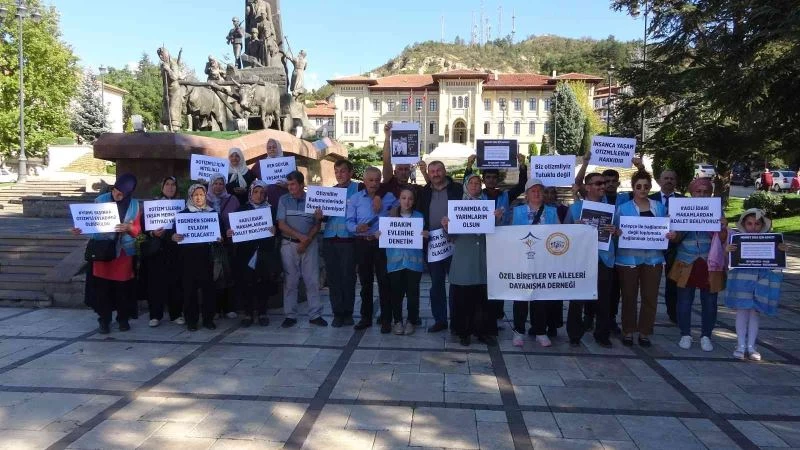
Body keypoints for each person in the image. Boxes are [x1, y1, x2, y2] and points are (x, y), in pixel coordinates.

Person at [72, 174, 141, 334]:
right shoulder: (100, 200)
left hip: (123, 254)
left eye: (121, 193)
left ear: (128, 193)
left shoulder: (134, 205)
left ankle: (123, 319)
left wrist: (129, 228)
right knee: (102, 288)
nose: (116, 194)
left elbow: (138, 230)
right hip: (102, 251)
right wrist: (79, 229)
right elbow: (89, 222)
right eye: (115, 190)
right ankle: (104, 320)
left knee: (122, 288)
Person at [666, 177, 727, 352]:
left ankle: (706, 335)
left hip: (710, 262)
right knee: (684, 301)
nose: (702, 194)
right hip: (686, 260)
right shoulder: (681, 209)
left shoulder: (717, 210)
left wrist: (723, 227)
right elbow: (675, 239)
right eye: (698, 191)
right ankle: (685, 334)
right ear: (691, 193)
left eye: (706, 192)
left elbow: (723, 239)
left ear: (711, 194)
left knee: (710, 302)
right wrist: (674, 231)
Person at [442, 174, 501, 346]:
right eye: (472, 183)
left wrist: (497, 219)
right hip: (464, 257)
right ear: (466, 186)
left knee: (483, 297)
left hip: (483, 255)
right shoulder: (457, 207)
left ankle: (483, 332)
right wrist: (446, 226)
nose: (475, 185)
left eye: (478, 183)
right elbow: (451, 236)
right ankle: (464, 332)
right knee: (464, 297)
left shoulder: (488, 206)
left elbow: (496, 232)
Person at [723, 208, 786, 361]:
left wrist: (781, 250)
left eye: (757, 224)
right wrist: (727, 250)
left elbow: (777, 261)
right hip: (741, 280)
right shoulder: (736, 239)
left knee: (755, 312)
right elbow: (727, 260)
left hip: (760, 280)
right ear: (744, 224)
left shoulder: (771, 240)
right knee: (742, 311)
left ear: (762, 225)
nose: (753, 227)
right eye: (749, 223)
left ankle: (751, 346)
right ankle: (740, 345)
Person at [562, 173, 617, 348]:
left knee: (604, 299)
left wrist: (615, 231)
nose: (603, 186)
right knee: (577, 298)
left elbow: (618, 233)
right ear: (587, 187)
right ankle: (574, 334)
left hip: (604, 258)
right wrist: (575, 229)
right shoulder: (575, 208)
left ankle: (602, 334)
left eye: (604, 183)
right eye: (599, 183)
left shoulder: (611, 208)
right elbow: (564, 234)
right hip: (582, 259)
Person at [615, 170, 668, 347]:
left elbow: (666, 229)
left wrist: (670, 234)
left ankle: (645, 332)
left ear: (650, 187)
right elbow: (614, 230)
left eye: (646, 186)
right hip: (628, 260)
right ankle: (628, 331)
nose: (642, 189)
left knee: (650, 297)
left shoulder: (659, 207)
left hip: (653, 260)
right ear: (633, 188)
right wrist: (617, 232)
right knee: (629, 296)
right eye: (638, 186)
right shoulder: (623, 208)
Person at [511, 179, 561, 347]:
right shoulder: (517, 211)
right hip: (522, 260)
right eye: (533, 190)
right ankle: (518, 331)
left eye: (540, 190)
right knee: (521, 296)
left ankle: (540, 331)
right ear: (527, 194)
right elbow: (511, 234)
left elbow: (559, 232)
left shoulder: (552, 212)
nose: (537, 193)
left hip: (544, 260)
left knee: (540, 296)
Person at [347, 167, 397, 332]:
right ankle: (365, 318)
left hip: (382, 244)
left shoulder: (389, 197)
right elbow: (348, 221)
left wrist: (394, 212)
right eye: (370, 180)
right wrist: (356, 228)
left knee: (385, 282)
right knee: (365, 283)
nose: (374, 183)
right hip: (362, 243)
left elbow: (401, 212)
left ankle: (386, 319)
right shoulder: (355, 199)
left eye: (377, 180)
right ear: (364, 181)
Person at [277, 171, 326, 327]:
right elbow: (281, 224)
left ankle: (315, 315)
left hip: (309, 245)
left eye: (293, 184)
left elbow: (317, 225)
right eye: (288, 184)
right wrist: (300, 237)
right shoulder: (283, 200)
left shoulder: (312, 200)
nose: (290, 187)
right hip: (289, 245)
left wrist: (306, 240)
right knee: (290, 281)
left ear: (301, 184)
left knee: (312, 280)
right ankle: (290, 315)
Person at [418, 160, 464, 332]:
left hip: (454, 241)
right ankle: (440, 320)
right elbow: (418, 213)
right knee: (436, 284)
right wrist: (423, 229)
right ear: (428, 174)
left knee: (456, 283)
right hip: (433, 244)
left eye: (438, 170)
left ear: (445, 171)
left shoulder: (458, 189)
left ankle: (457, 319)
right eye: (432, 171)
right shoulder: (424, 192)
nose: (436, 174)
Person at [172, 184, 223, 331]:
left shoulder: (213, 213)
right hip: (188, 258)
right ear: (190, 196)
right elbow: (173, 234)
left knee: (208, 289)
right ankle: (191, 321)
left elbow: (221, 233)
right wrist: (174, 236)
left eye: (201, 194)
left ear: (205, 196)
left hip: (207, 257)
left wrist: (220, 238)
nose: (199, 197)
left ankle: (208, 319)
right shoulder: (183, 214)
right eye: (195, 195)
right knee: (189, 290)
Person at [227, 180, 276, 327]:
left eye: (262, 192)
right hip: (245, 253)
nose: (259, 195)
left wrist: (275, 230)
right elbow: (235, 230)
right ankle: (248, 313)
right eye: (255, 192)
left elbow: (278, 228)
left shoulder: (271, 210)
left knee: (263, 282)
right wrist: (230, 233)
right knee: (246, 282)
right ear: (250, 193)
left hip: (264, 251)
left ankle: (262, 312)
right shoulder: (241, 210)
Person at [378, 187, 427, 335]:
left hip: (414, 264)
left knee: (413, 294)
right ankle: (398, 321)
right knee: (396, 294)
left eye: (410, 198)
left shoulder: (419, 217)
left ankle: (411, 320)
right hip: (395, 263)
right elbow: (385, 236)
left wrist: (425, 234)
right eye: (404, 198)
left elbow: (423, 237)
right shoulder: (390, 217)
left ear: (414, 201)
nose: (407, 201)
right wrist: (379, 234)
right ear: (399, 200)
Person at [322, 159, 363, 327]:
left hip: (348, 239)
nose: (339, 174)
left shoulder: (359, 189)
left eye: (343, 171)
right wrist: (319, 215)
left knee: (348, 277)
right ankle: (337, 313)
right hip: (330, 239)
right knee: (333, 278)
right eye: (336, 171)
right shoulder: (330, 192)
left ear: (351, 172)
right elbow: (324, 217)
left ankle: (348, 312)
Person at [142, 176, 184, 327]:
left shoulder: (181, 206)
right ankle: (155, 315)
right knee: (155, 283)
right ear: (162, 187)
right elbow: (143, 227)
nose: (170, 187)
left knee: (175, 283)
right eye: (167, 184)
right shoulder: (153, 205)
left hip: (175, 251)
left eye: (173, 185)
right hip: (157, 251)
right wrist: (153, 233)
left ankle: (176, 314)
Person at [650, 169, 685, 324]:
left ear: (676, 181)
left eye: (672, 178)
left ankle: (673, 313)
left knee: (673, 282)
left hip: (675, 246)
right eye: (666, 178)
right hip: (653, 246)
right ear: (659, 181)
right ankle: (648, 313)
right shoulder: (650, 199)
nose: (669, 181)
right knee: (651, 282)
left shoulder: (684, 201)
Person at [207, 173, 240, 319]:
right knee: (213, 276)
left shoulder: (232, 200)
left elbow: (239, 219)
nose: (218, 186)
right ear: (210, 185)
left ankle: (228, 308)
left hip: (229, 243)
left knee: (228, 275)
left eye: (221, 184)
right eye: (215, 183)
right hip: (211, 245)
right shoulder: (204, 200)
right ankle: (214, 309)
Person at [378, 122, 429, 200]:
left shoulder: (415, 189)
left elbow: (432, 188)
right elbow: (387, 161)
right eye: (400, 169)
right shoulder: (388, 185)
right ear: (395, 172)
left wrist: (424, 173)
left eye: (406, 169)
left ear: (410, 172)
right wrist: (387, 137)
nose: (403, 172)